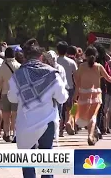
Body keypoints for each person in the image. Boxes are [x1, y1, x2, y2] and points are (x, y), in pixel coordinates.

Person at [8, 38, 68, 178]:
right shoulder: (52, 74)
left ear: (25, 57)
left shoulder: (17, 75)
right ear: (41, 57)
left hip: (26, 122)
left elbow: (12, 98)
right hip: (47, 122)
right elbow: (62, 98)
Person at [73, 45, 111, 146]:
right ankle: (90, 135)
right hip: (96, 95)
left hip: (84, 94)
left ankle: (89, 133)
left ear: (86, 55)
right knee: (93, 116)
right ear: (96, 55)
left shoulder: (81, 67)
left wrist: (76, 92)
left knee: (86, 116)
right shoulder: (99, 66)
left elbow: (77, 79)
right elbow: (108, 78)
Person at [0, 47, 21, 142]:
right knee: (15, 115)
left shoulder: (2, 68)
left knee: (6, 116)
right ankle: (15, 134)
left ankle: (7, 134)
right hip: (16, 94)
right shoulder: (19, 66)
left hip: (5, 93)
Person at [56, 41, 78, 136]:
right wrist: (78, 88)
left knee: (59, 109)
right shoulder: (71, 62)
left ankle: (60, 130)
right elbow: (76, 76)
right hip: (69, 87)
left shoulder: (55, 61)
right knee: (70, 108)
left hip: (57, 88)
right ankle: (69, 122)